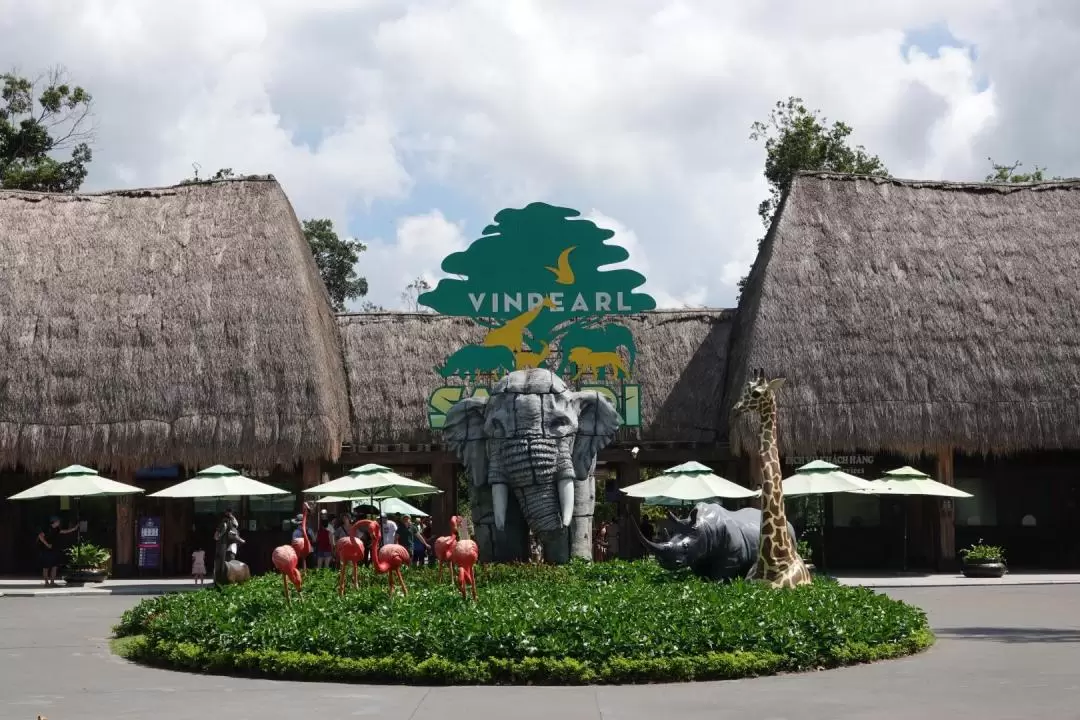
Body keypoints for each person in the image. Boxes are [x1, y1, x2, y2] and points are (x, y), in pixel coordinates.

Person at [37, 516, 78, 586]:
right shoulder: (47, 528)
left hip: (54, 549)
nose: (59, 523)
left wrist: (74, 529)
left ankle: (52, 582)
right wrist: (47, 544)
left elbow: (64, 531)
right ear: (54, 521)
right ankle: (46, 582)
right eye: (58, 521)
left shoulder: (57, 529)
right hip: (46, 550)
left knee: (54, 566)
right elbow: (40, 536)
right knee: (46, 567)